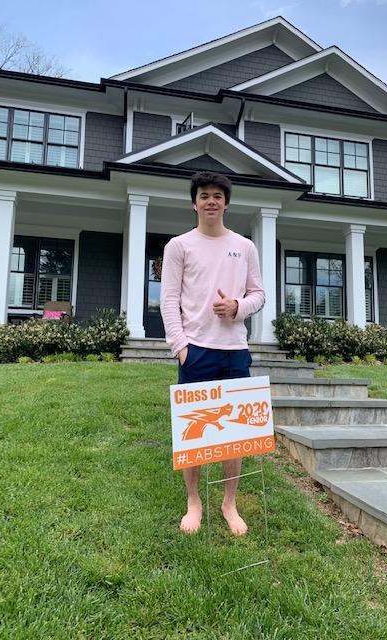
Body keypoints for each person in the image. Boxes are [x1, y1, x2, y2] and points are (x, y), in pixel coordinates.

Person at [160, 171, 265, 535]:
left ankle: (229, 502)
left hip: (235, 351)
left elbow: (258, 295)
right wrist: (181, 347)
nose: (211, 201)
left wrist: (237, 307)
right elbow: (169, 299)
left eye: (218, 195)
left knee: (233, 433)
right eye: (204, 195)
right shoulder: (179, 246)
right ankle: (194, 501)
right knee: (194, 432)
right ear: (194, 202)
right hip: (196, 352)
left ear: (226, 202)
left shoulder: (245, 246)